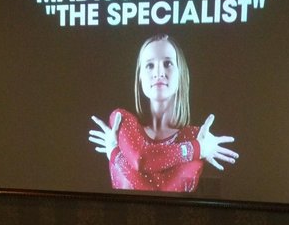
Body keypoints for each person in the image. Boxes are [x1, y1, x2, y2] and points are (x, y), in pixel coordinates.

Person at [88, 33, 238, 192]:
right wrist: (196, 149)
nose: (158, 73)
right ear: (140, 76)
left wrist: (114, 153)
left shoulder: (196, 136)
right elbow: (141, 159)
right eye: (150, 65)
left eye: (167, 63)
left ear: (181, 74)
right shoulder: (122, 120)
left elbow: (160, 191)